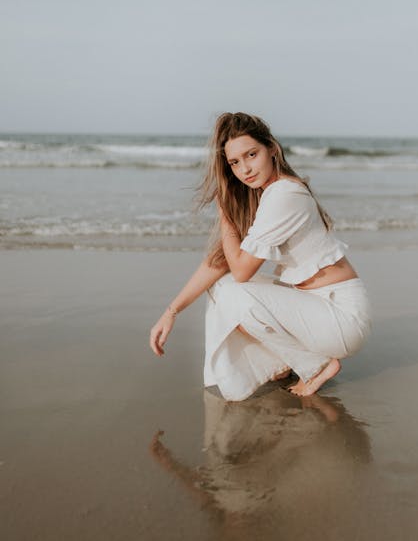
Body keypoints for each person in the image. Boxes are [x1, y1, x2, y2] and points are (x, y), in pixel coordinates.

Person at [149, 112, 372, 401]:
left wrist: (225, 216)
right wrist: (171, 312)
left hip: (341, 318)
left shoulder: (284, 195)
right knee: (222, 287)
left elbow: (242, 271)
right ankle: (287, 360)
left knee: (235, 294)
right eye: (235, 162)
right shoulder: (269, 195)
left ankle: (316, 365)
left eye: (251, 154)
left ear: (272, 149)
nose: (245, 169)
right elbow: (220, 263)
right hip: (318, 309)